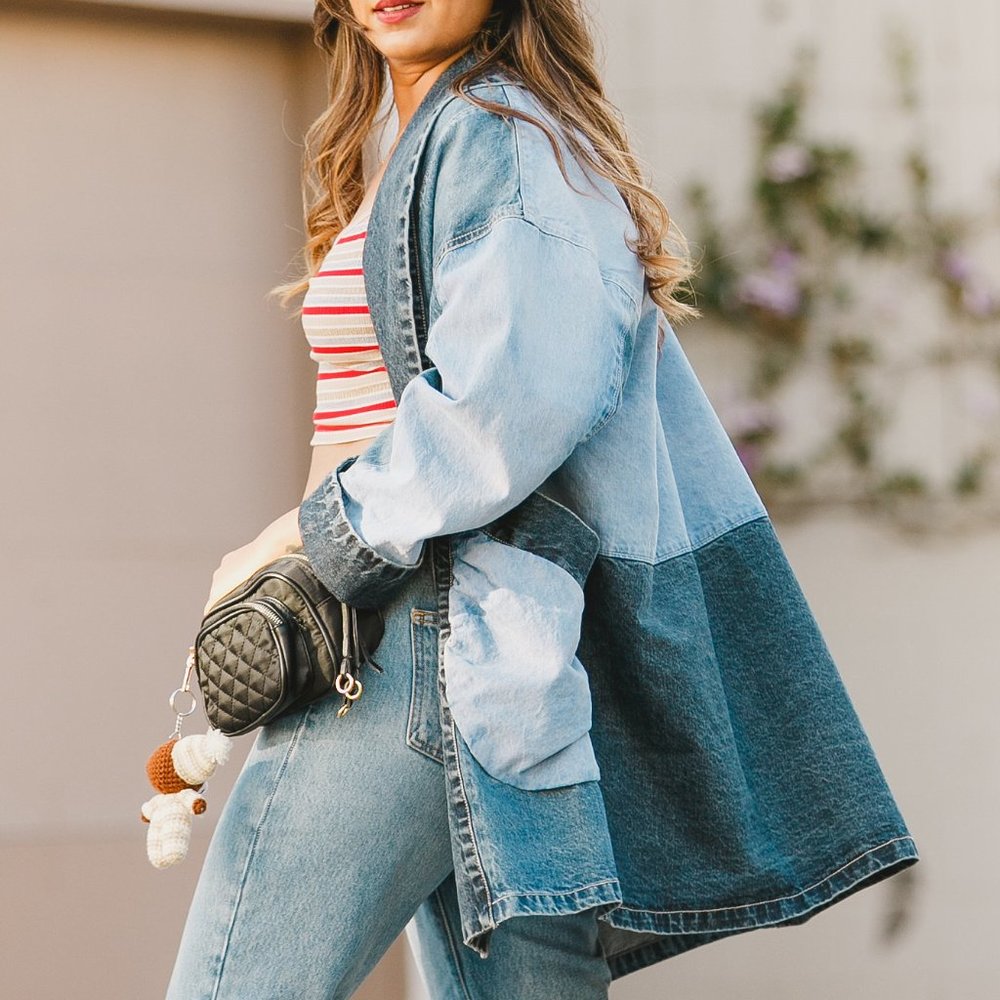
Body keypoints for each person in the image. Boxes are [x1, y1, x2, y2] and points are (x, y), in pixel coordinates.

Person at [166, 2, 919, 997]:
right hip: (464, 656)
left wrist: (314, 537)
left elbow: (514, 399)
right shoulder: (415, 139)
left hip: (425, 640)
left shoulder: (502, 135)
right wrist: (298, 577)